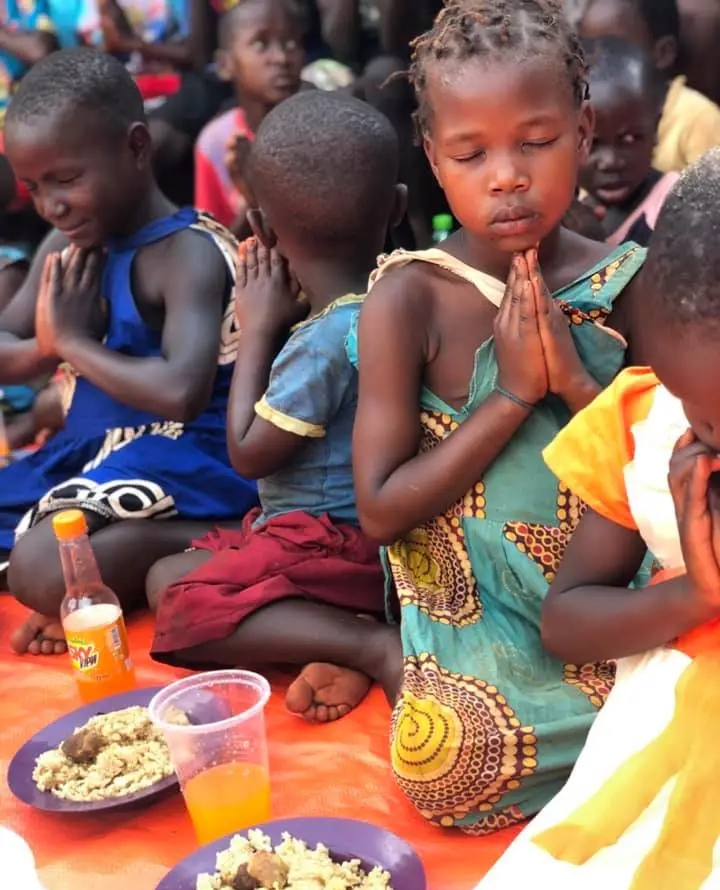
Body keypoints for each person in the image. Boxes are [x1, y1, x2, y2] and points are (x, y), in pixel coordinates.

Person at [297, 0, 644, 835]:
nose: (507, 174)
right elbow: (380, 509)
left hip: (604, 604)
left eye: (536, 140)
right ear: (433, 158)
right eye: (471, 151)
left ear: (584, 130)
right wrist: (513, 395)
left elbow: (657, 470)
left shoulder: (628, 281)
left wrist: (577, 389)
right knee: (451, 765)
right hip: (478, 632)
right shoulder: (407, 298)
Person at [147, 91, 405, 722]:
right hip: (388, 544)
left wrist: (259, 327)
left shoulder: (319, 341)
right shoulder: (403, 294)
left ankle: (369, 645)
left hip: (339, 547)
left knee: (172, 591)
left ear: (258, 229)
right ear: (397, 208)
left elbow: (247, 450)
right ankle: (333, 636)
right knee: (184, 562)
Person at [0, 47, 258, 655]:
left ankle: (224, 535)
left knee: (40, 569)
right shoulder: (67, 245)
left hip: (188, 459)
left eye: (66, 180)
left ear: (136, 148)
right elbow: (10, 340)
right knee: (43, 554)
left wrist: (73, 344)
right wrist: (43, 346)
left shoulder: (186, 252)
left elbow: (181, 391)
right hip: (91, 453)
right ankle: (103, 560)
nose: (50, 205)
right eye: (34, 188)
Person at [533, 149, 720, 890]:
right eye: (705, 423)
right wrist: (694, 594)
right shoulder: (644, 427)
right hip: (664, 755)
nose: (712, 442)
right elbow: (566, 620)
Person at [193, 0, 303, 232]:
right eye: (261, 44)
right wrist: (253, 203)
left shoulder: (322, 128)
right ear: (225, 64)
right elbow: (220, 248)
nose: (282, 58)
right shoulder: (216, 142)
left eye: (291, 43)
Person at [577, 0, 720, 172]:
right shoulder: (584, 113)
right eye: (590, 51)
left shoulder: (697, 119)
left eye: (617, 50)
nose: (601, 64)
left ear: (662, 53)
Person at [579, 36, 678, 245]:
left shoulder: (677, 206)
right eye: (593, 143)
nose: (611, 161)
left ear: (656, 127)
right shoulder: (568, 213)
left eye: (630, 139)